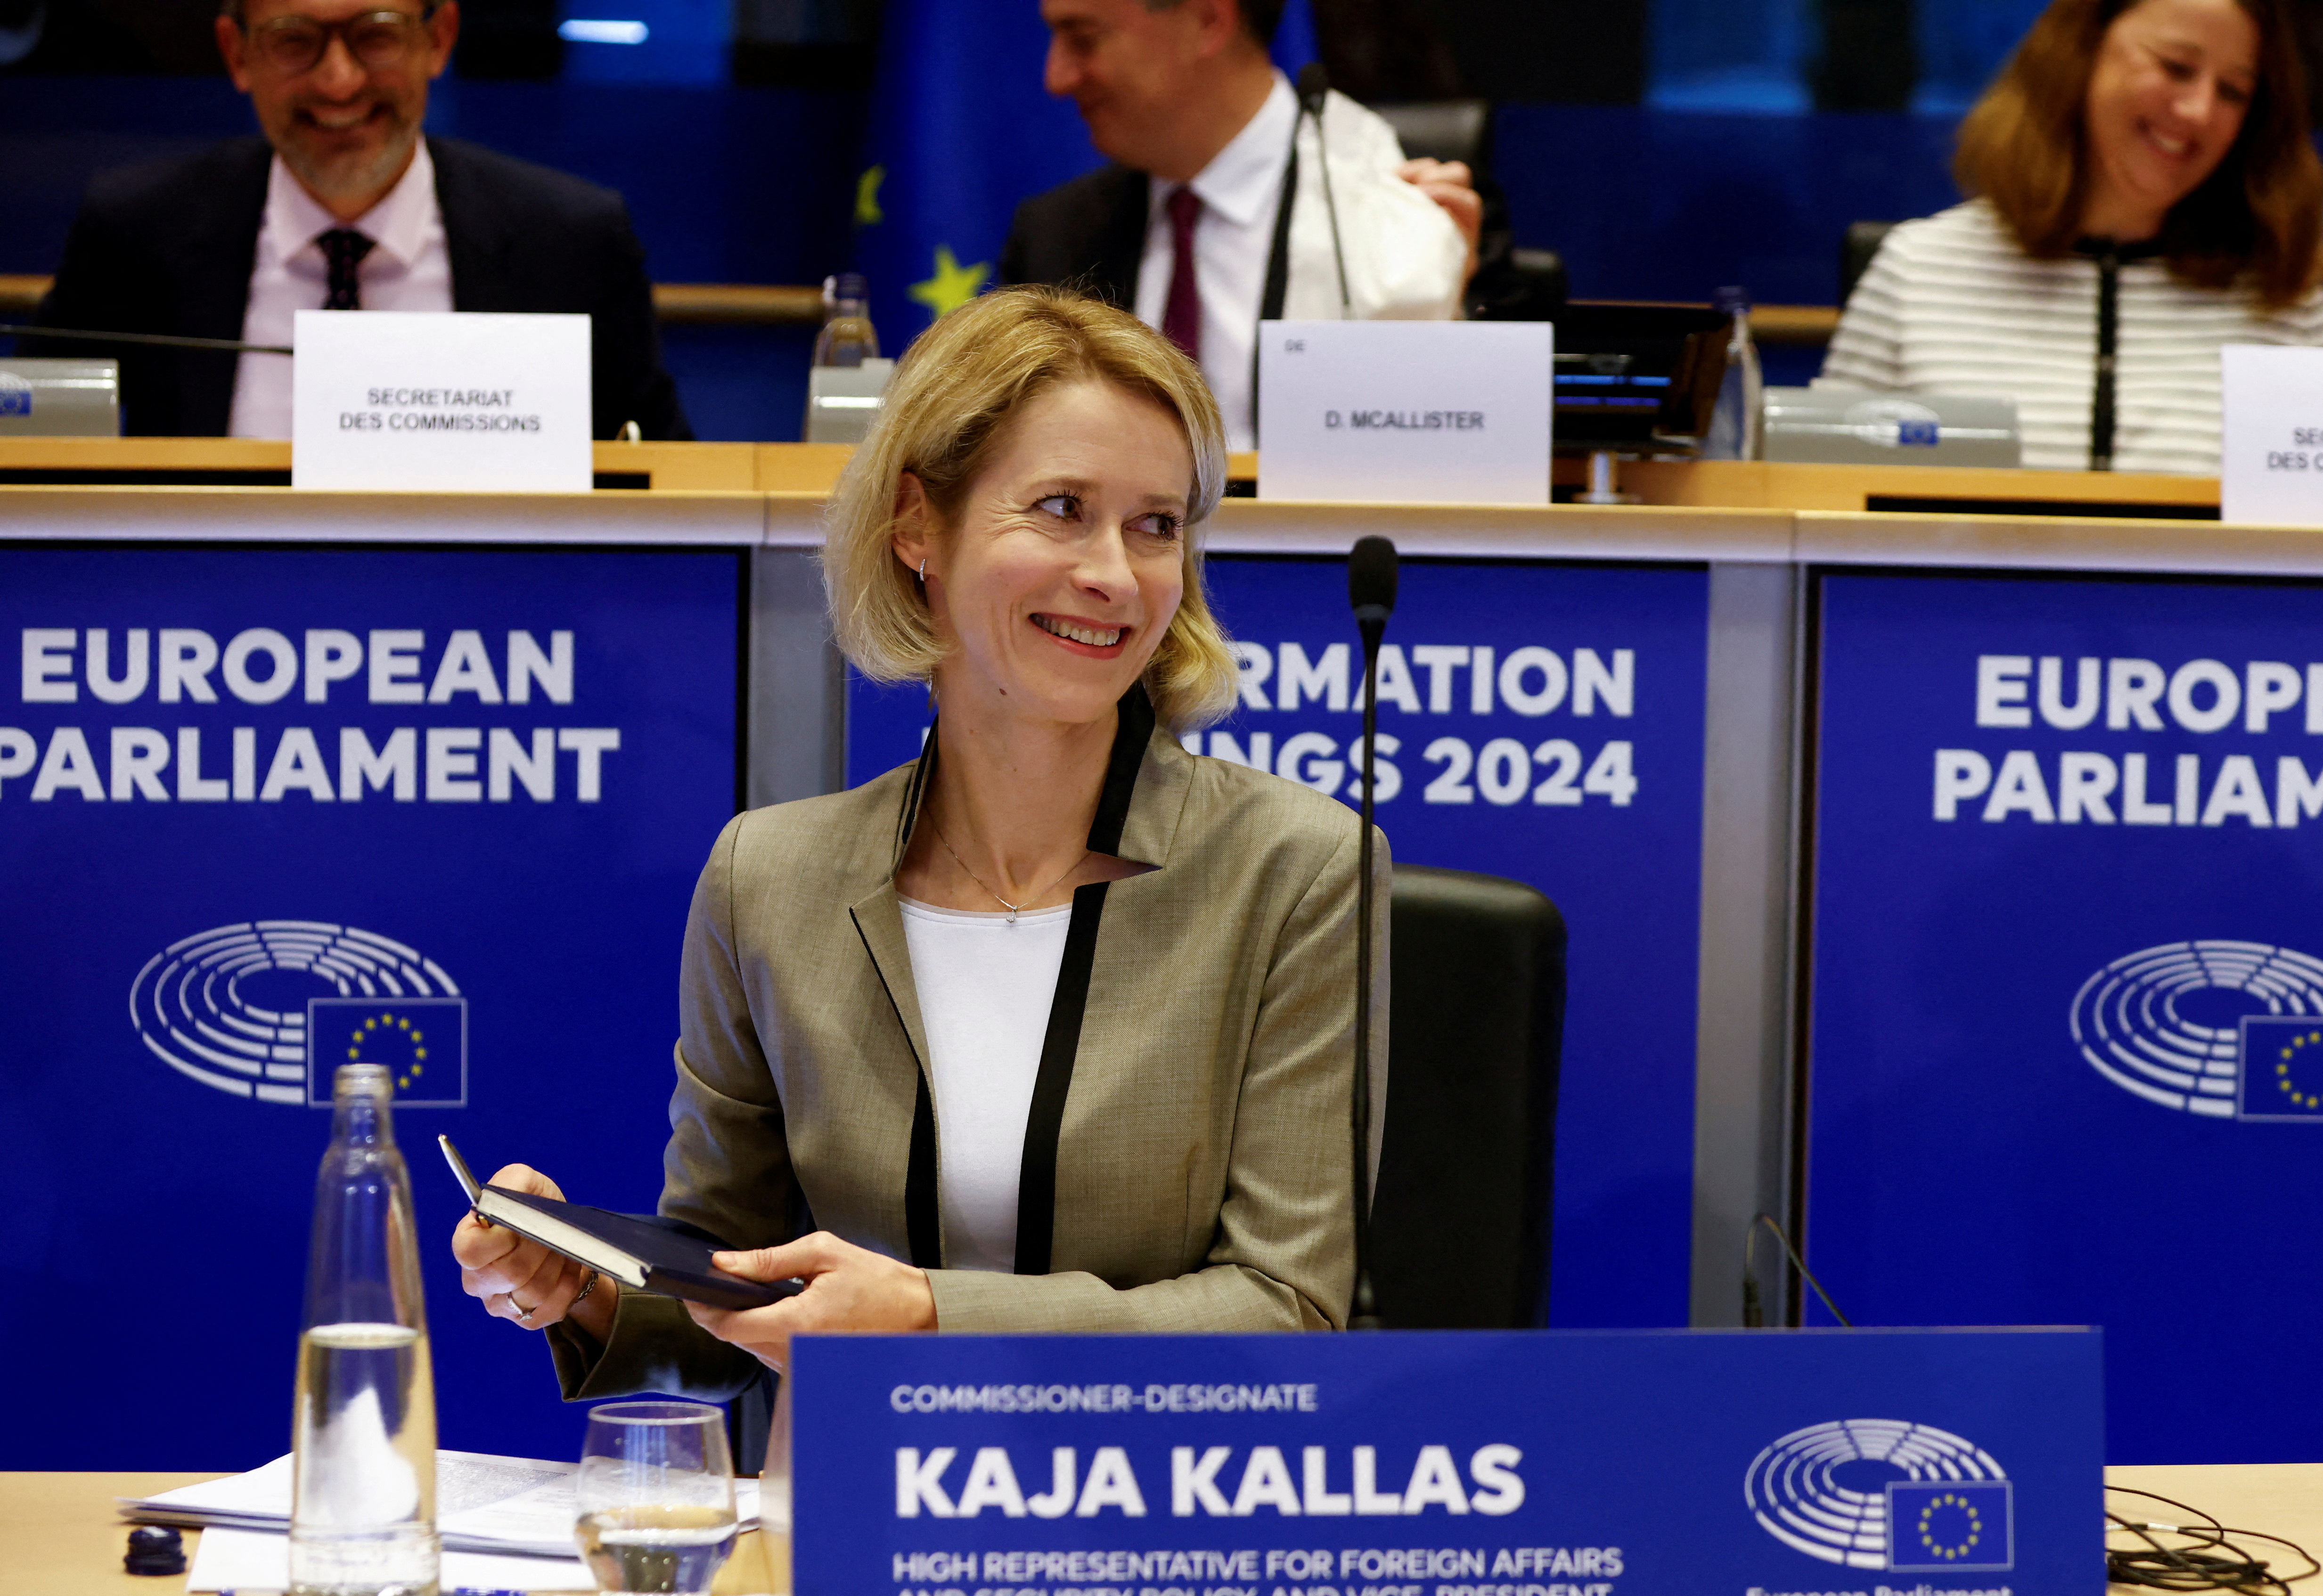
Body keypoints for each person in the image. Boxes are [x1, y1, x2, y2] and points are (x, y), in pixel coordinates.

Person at [453, 286, 1387, 1403]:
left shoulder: (1296, 868)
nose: (1113, 573)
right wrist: (586, 1287)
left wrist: (929, 1316)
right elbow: (729, 1303)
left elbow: (1285, 1315)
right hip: (849, 1528)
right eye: (1058, 507)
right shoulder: (768, 878)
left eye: (1157, 524)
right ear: (915, 527)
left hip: (1164, 1534)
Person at [22, 0, 688, 440]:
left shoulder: (570, 240)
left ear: (439, 39)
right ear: (236, 54)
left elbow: (666, 481)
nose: (338, 82)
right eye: (295, 42)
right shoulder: (137, 232)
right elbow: (26, 454)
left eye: (375, 37)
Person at [1818, 0, 2323, 475]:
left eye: (2232, 92)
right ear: (2081, 51)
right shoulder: (1917, 272)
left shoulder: (2287, 303)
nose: (2198, 111)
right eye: (2175, 68)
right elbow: (1815, 494)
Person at [1000, 0, 1478, 450]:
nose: (1056, 78)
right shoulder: (1054, 236)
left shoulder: (1425, 219)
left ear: (1208, 20)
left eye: (1083, 38)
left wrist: (1445, 308)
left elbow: (1488, 452)